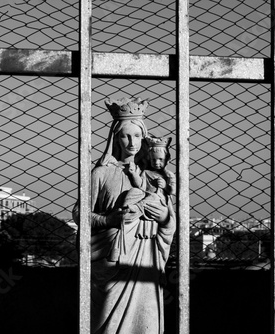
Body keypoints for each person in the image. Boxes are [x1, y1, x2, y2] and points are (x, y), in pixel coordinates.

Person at [72, 97, 176, 334]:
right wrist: (109, 220)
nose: (132, 142)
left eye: (138, 136)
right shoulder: (101, 173)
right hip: (110, 257)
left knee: (145, 322)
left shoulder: (153, 175)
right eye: (126, 136)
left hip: (146, 256)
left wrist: (163, 218)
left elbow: (169, 221)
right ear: (115, 138)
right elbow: (80, 213)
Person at [123, 136, 176, 225]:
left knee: (154, 197)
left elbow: (172, 191)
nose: (156, 162)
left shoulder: (169, 175)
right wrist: (134, 174)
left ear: (167, 160)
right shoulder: (146, 172)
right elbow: (141, 185)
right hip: (144, 195)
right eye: (153, 159)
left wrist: (165, 186)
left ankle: (137, 208)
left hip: (159, 200)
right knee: (134, 191)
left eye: (160, 159)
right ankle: (124, 208)